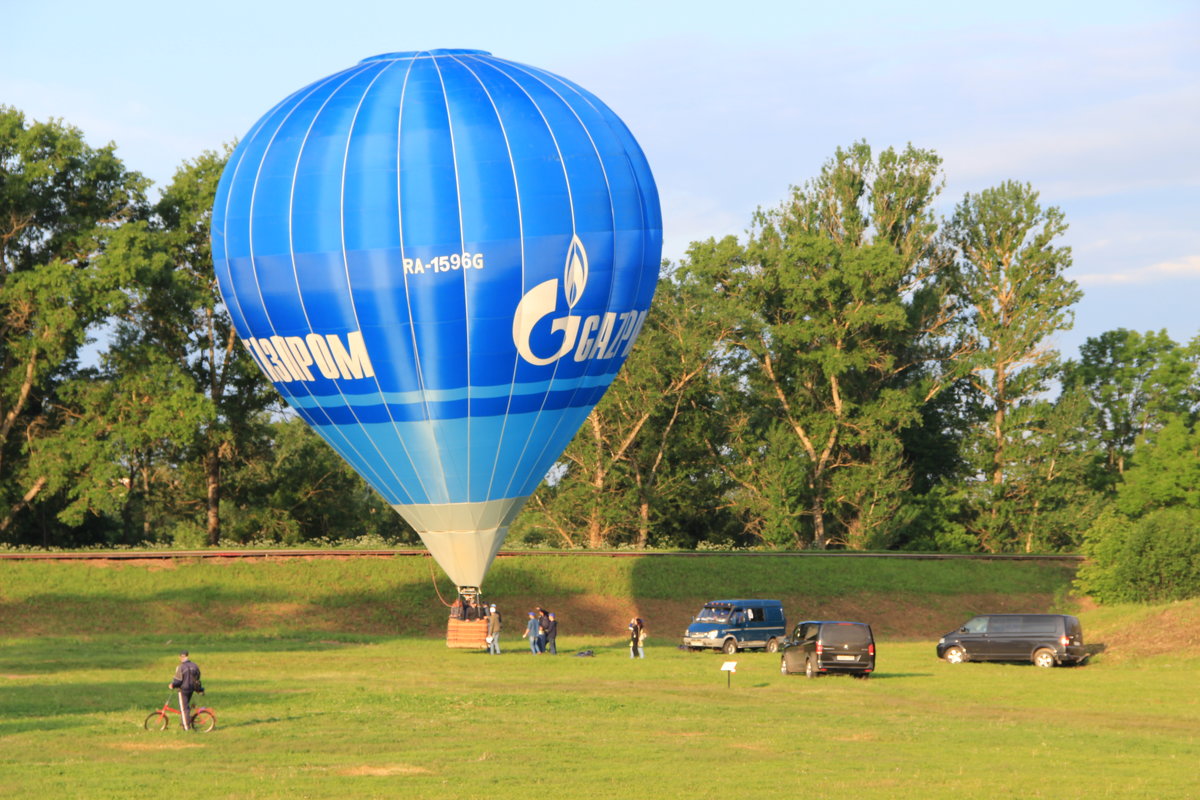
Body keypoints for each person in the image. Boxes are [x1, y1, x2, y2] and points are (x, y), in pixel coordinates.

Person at [168, 651, 203, 730]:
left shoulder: (180, 667)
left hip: (183, 690)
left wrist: (172, 685)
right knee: (186, 707)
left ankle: (186, 727)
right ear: (188, 656)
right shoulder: (195, 666)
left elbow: (178, 681)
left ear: (180, 657)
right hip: (192, 689)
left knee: (184, 709)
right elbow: (198, 677)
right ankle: (183, 722)